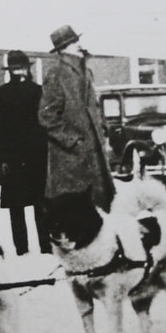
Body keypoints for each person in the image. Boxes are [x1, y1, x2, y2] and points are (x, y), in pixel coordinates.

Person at [38, 24, 115, 212]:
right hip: (71, 162)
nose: (80, 45)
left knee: (101, 210)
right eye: (75, 42)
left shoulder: (86, 73)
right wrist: (74, 141)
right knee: (78, 214)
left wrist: (102, 127)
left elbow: (93, 108)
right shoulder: (57, 73)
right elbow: (46, 116)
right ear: (65, 48)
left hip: (94, 156)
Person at [0, 49, 50, 254]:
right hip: (32, 160)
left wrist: (0, 159)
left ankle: (28, 252)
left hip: (19, 161)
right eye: (17, 68)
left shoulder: (0, 95)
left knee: (23, 210)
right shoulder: (39, 92)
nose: (19, 71)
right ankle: (41, 251)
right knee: (36, 208)